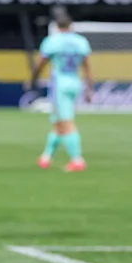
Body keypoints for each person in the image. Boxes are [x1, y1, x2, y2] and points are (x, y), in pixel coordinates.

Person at [29, 11, 93, 171]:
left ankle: (77, 160)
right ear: (71, 26)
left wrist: (32, 79)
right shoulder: (81, 42)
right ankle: (46, 157)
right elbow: (87, 66)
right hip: (75, 81)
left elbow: (41, 63)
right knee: (59, 122)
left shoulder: (52, 41)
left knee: (67, 122)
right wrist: (89, 88)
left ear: (56, 27)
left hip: (60, 84)